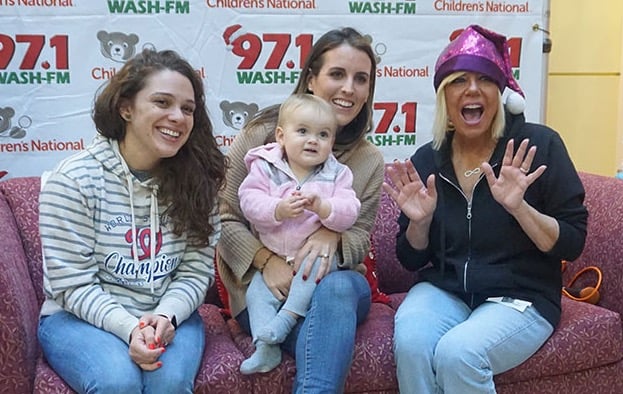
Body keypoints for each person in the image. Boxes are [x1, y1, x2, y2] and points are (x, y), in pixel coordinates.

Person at [383, 25, 588, 393]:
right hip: (445, 291)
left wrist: (520, 208)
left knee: (457, 354)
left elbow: (571, 242)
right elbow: (411, 259)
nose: (472, 90)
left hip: (521, 296)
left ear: (500, 93)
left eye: (484, 80)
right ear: (445, 98)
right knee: (412, 345)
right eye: (459, 80)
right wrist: (421, 223)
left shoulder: (538, 146)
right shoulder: (428, 160)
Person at [38, 48, 226, 393]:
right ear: (126, 107)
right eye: (162, 102)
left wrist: (167, 316)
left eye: (187, 109)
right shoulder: (73, 179)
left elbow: (195, 271)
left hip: (169, 315)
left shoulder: (199, 180)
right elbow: (72, 285)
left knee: (168, 380)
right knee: (116, 381)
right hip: (77, 318)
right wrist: (130, 328)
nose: (178, 117)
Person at [217, 27, 384, 392]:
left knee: (339, 289)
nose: (349, 89)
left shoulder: (369, 160)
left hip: (335, 286)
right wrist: (265, 260)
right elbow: (225, 217)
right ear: (311, 79)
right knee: (323, 341)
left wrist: (332, 233)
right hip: (264, 289)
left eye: (361, 79)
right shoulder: (262, 136)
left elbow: (360, 237)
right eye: (337, 74)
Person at [237, 93, 361, 374]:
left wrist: (325, 207)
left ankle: (288, 318)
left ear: (332, 142)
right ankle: (265, 348)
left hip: (312, 257)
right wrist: (277, 209)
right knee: (256, 294)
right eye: (303, 131)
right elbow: (248, 200)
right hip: (274, 257)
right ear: (281, 136)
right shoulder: (265, 166)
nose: (313, 140)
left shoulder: (337, 175)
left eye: (323, 135)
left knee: (313, 267)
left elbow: (351, 209)